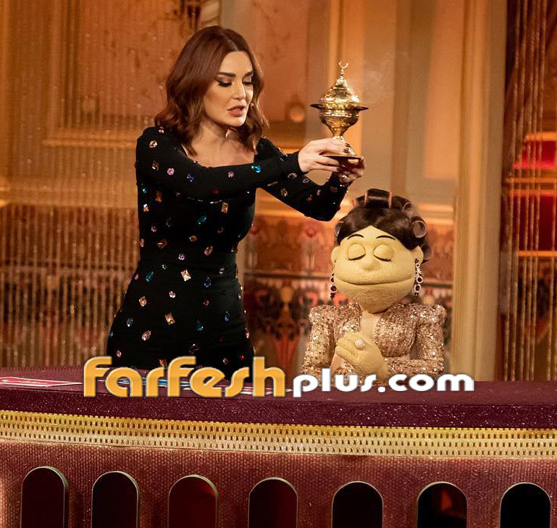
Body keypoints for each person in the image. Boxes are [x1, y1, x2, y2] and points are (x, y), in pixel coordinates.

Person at [106, 26, 364, 378]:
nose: (241, 94)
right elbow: (201, 183)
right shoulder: (157, 145)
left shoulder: (256, 151)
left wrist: (340, 179)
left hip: (224, 329)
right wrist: (293, 161)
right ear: (195, 85)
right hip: (153, 327)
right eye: (225, 82)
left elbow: (319, 207)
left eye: (248, 82)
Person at [301, 188, 446, 384]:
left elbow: (433, 367)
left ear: (416, 259)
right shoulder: (329, 318)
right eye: (355, 254)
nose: (368, 263)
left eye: (383, 254)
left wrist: (382, 368)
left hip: (396, 400)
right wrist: (344, 382)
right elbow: (311, 370)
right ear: (336, 258)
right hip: (340, 400)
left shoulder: (422, 318)